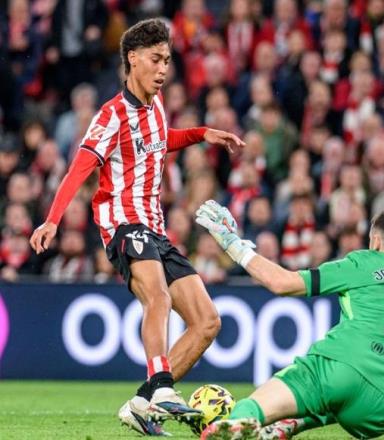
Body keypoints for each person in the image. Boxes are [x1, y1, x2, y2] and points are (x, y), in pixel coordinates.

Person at [29, 19, 245, 437]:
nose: (164, 69)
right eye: (156, 59)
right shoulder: (111, 115)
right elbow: (79, 169)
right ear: (133, 58)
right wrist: (53, 219)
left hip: (156, 229)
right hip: (123, 224)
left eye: (167, 60)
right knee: (157, 296)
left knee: (207, 322)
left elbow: (163, 139)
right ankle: (162, 387)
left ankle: (142, 403)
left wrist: (202, 134)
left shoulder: (156, 105)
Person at [195, 200, 384, 440]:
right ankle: (292, 424)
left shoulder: (363, 262)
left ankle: (236, 424)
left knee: (254, 406)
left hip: (341, 371)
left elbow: (282, 283)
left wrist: (231, 242)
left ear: (376, 241)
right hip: (383, 410)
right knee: (333, 402)